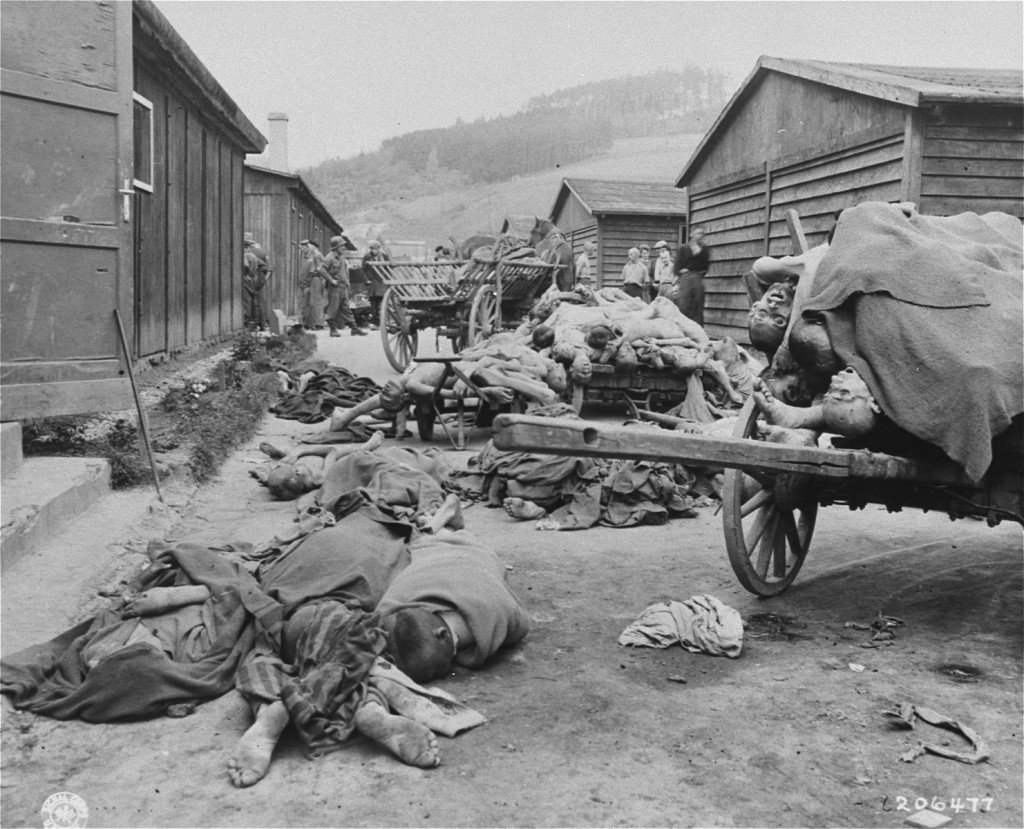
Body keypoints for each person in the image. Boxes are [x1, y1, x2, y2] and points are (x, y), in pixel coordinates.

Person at [320, 235, 367, 337]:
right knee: (333, 308)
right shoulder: (329, 258)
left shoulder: (341, 257)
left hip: (343, 286)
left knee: (346, 308)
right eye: (342, 246)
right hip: (334, 287)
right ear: (336, 247)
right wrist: (331, 280)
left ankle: (354, 328)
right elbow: (321, 270)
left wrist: (347, 282)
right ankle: (332, 329)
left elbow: (344, 272)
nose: (344, 248)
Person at [672, 228, 710, 326]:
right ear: (691, 234)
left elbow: (706, 266)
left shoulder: (705, 249)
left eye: (701, 233)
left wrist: (699, 253)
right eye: (697, 233)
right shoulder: (683, 248)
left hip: (697, 278)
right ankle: (683, 328)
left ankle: (698, 330)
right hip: (685, 279)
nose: (699, 235)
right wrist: (681, 272)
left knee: (698, 304)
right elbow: (676, 267)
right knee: (684, 304)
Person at [243, 232, 272, 330]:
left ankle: (248, 323)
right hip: (257, 278)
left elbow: (245, 265)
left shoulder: (246, 253)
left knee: (247, 301)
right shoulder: (260, 253)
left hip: (248, 279)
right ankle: (260, 324)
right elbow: (266, 267)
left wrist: (247, 274)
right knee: (257, 301)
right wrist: (262, 279)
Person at [298, 240, 326, 330]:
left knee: (316, 302)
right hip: (314, 279)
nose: (309, 248)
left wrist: (318, 279)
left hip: (316, 279)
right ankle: (315, 322)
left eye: (309, 246)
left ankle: (318, 323)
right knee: (313, 302)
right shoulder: (313, 256)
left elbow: (320, 269)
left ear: (314, 247)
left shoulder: (317, 255)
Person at [362, 240, 390, 321]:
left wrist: (387, 280)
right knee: (373, 303)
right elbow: (363, 269)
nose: (374, 251)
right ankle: (374, 320)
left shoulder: (384, 257)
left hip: (382, 283)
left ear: (379, 249)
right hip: (372, 283)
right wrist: (366, 280)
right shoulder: (367, 257)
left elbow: (388, 269)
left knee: (382, 303)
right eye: (372, 249)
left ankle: (383, 320)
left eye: (376, 249)